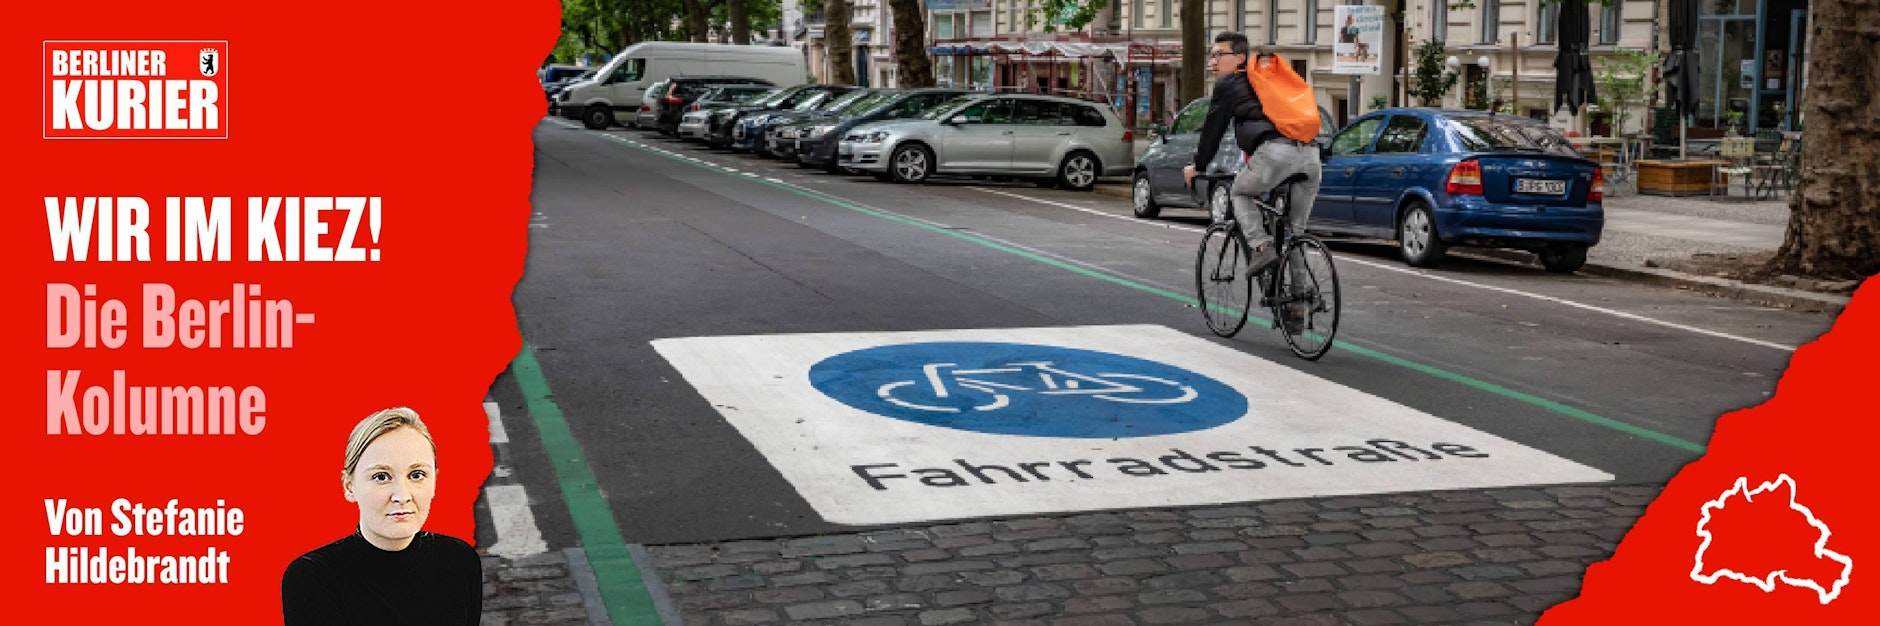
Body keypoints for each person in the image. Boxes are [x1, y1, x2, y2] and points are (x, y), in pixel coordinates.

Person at [282, 407, 482, 626]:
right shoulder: (313, 577)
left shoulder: (460, 561)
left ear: (435, 481)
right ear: (349, 487)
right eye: (381, 477)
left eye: (417, 475)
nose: (402, 496)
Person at [1182, 31, 1323, 328]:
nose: (1212, 61)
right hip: (1311, 155)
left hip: (1275, 154)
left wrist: (1198, 165)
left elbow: (1213, 129)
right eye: (1211, 55)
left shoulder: (1230, 84)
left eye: (1218, 54)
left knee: (1239, 192)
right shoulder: (1266, 81)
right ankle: (1298, 308)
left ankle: (1261, 247)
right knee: (1295, 233)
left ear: (1239, 58)